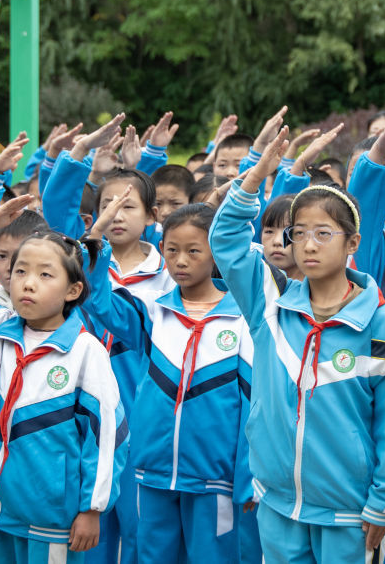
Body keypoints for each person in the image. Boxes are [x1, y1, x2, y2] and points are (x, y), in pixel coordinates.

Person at [210, 128, 385, 563]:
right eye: (298, 233)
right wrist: (254, 178)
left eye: (323, 233)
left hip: (349, 511)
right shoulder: (271, 303)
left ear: (353, 243)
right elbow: (225, 241)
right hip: (278, 502)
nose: (308, 245)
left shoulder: (378, 321)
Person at [0, 196, 128, 563]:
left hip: (51, 519)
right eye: (20, 271)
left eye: (45, 275)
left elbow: (105, 435)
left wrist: (92, 507)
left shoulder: (85, 350)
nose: (27, 283)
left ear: (73, 290)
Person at [83, 197, 255, 563]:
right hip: (152, 472)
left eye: (194, 251)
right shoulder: (153, 310)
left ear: (216, 252)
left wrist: (247, 477)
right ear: (161, 248)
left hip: (216, 479)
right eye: (172, 250)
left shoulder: (241, 319)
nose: (180, 261)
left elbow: (252, 405)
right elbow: (98, 303)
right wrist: (95, 242)